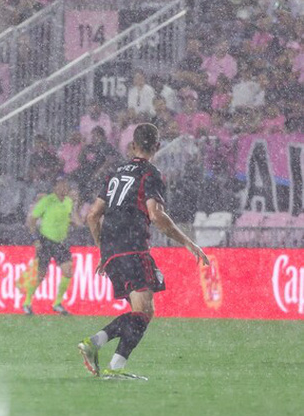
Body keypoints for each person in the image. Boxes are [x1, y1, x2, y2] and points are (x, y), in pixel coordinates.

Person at [78, 123, 209, 380]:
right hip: (134, 248)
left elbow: (93, 215)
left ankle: (100, 350)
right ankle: (109, 361)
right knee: (145, 311)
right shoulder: (149, 173)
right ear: (157, 146)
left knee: (139, 312)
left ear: (132, 145)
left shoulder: (114, 174)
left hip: (112, 250)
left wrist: (102, 250)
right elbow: (156, 215)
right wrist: (188, 242)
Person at [22, 177, 81, 316]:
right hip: (45, 241)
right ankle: (27, 302)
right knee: (40, 275)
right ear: (55, 188)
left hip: (61, 242)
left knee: (68, 271)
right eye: (60, 185)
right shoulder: (47, 200)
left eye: (66, 185)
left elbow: (76, 222)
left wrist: (75, 207)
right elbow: (31, 220)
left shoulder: (68, 202)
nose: (64, 188)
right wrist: (35, 239)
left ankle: (57, 303)